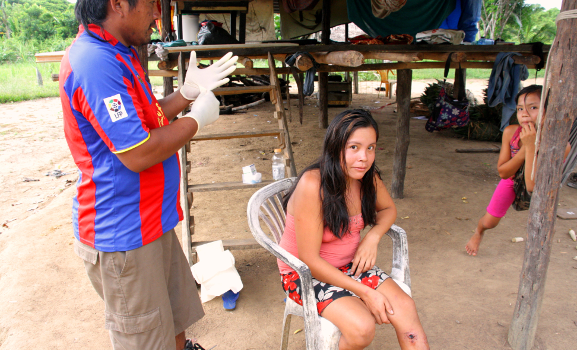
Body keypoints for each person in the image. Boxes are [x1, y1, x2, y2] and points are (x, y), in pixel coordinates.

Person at [59, 0, 237, 349]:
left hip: (151, 222)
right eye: (152, 4)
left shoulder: (117, 52)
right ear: (117, 4)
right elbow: (139, 152)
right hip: (124, 235)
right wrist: (196, 120)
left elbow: (145, 118)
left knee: (172, 322)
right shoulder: (95, 63)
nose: (159, 15)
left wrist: (186, 95)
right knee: (147, 339)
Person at [278, 110, 429, 350]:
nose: (364, 158)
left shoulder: (367, 178)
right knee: (362, 328)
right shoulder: (313, 185)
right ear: (335, 147)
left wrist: (373, 236)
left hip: (349, 266)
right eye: (354, 147)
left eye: (371, 148)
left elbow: (388, 209)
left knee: (405, 309)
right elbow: (309, 260)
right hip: (304, 275)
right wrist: (365, 292)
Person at [465, 85, 571, 256]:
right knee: (490, 222)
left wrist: (531, 146)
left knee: (542, 226)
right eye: (520, 108)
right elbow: (503, 173)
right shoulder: (511, 132)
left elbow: (532, 187)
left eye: (533, 107)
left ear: (550, 111)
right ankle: (478, 232)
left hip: (541, 187)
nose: (524, 114)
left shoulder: (560, 146)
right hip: (512, 178)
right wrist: (525, 149)